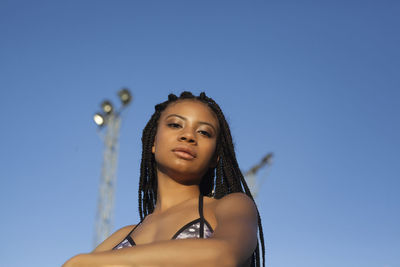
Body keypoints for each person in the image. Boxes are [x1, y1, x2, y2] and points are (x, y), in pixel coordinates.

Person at [63, 91, 265, 267]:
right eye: (175, 125)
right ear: (153, 142)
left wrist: (86, 262)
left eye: (203, 132)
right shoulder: (120, 237)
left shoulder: (231, 206)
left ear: (214, 157)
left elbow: (224, 256)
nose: (188, 136)